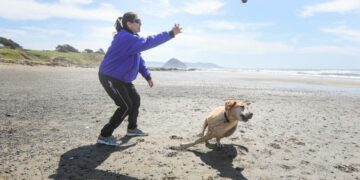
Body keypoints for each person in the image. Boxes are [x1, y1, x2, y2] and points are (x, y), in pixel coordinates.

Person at [97, 12, 182, 146]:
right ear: (129, 23)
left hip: (122, 78)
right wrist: (170, 33)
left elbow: (139, 60)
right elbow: (148, 41)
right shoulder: (125, 37)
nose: (141, 24)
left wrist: (147, 76)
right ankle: (104, 135)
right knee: (125, 106)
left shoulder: (131, 38)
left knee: (135, 100)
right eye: (138, 21)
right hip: (111, 76)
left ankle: (132, 128)